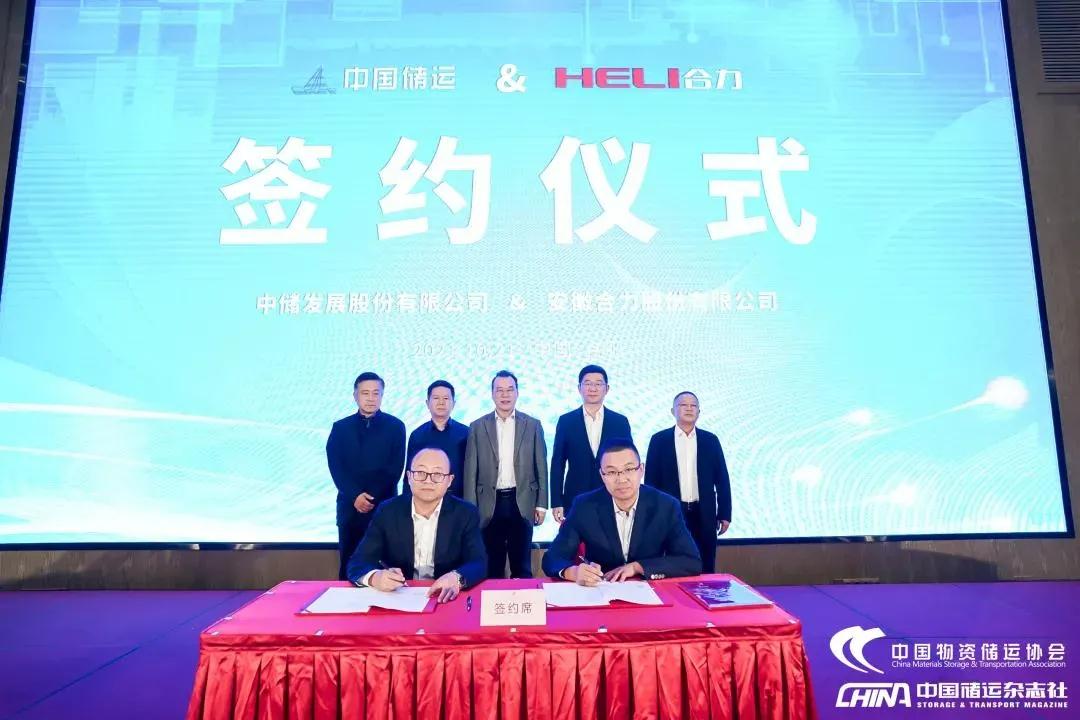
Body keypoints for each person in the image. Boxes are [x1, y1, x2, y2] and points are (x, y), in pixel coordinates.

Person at [542, 438, 701, 584]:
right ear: (602, 475)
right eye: (611, 472)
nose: (621, 479)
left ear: (641, 470)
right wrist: (573, 572)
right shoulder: (584, 506)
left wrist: (638, 567)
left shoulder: (665, 506)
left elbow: (690, 561)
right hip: (600, 589)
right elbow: (553, 557)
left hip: (649, 590)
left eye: (629, 469)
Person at [346, 447, 486, 602]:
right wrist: (375, 577)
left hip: (445, 598)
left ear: (449, 481)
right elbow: (357, 562)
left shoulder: (465, 513)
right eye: (420, 472)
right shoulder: (388, 511)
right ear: (409, 477)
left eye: (437, 474)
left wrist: (456, 578)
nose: (428, 480)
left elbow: (479, 562)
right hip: (398, 598)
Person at [463, 370, 548, 578]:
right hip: (489, 503)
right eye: (499, 390)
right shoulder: (477, 426)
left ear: (517, 393)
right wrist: (471, 508)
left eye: (510, 389)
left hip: (522, 500)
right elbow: (470, 471)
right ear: (492, 394)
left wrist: (541, 504)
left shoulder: (532, 425)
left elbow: (541, 466)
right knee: (492, 565)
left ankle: (524, 598)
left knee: (522, 565)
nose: (505, 395)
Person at [326, 372, 406, 581]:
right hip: (350, 508)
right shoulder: (340, 428)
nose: (371, 398)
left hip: (383, 507)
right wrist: (355, 496)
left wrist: (370, 497)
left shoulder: (396, 427)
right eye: (365, 393)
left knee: (386, 567)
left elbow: (395, 468)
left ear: (382, 395)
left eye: (376, 393)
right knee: (349, 565)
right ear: (355, 396)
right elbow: (336, 467)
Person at [644, 391, 732, 574]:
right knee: (672, 559)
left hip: (704, 511)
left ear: (699, 411)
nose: (689, 408)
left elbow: (722, 478)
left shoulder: (710, 440)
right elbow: (651, 481)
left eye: (693, 405)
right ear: (673, 411)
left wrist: (725, 513)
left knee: (706, 560)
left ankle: (705, 590)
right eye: (683, 405)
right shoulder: (659, 440)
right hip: (671, 511)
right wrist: (652, 512)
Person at [550, 365, 632, 524]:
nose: (592, 388)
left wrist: (630, 496)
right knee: (576, 539)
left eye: (598, 383)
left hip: (613, 496)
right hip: (575, 497)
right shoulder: (566, 421)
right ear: (579, 388)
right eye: (587, 383)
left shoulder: (620, 422)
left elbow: (629, 462)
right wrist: (556, 501)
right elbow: (558, 463)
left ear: (607, 389)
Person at [404, 380, 468, 498]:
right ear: (427, 403)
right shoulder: (417, 435)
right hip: (425, 498)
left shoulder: (466, 433)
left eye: (446, 398)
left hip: (459, 499)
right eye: (436, 398)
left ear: (453, 403)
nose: (441, 402)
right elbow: (409, 474)